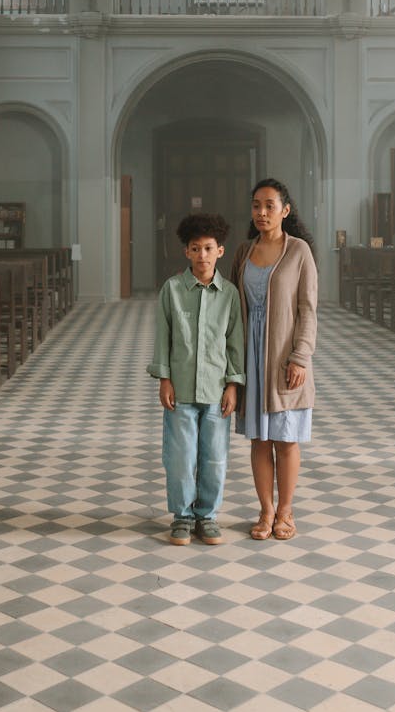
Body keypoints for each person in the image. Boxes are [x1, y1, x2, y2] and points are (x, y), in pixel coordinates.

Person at [148, 213, 245, 546]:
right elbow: (164, 336)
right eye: (195, 249)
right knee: (179, 456)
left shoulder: (229, 295)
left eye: (208, 248)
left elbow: (235, 341)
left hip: (216, 390)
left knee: (215, 456)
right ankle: (182, 515)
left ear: (220, 251)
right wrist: (165, 378)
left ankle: (208, 515)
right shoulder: (172, 291)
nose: (202, 255)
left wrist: (233, 383)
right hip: (181, 389)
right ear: (186, 252)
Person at [230, 179, 317, 541]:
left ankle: (286, 511)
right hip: (251, 355)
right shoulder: (243, 251)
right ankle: (265, 511)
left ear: (285, 210)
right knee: (259, 440)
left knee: (285, 439)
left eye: (269, 205)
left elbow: (308, 309)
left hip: (284, 357)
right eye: (256, 206)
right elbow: (233, 307)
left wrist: (300, 357)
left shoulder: (299, 252)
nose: (261, 213)